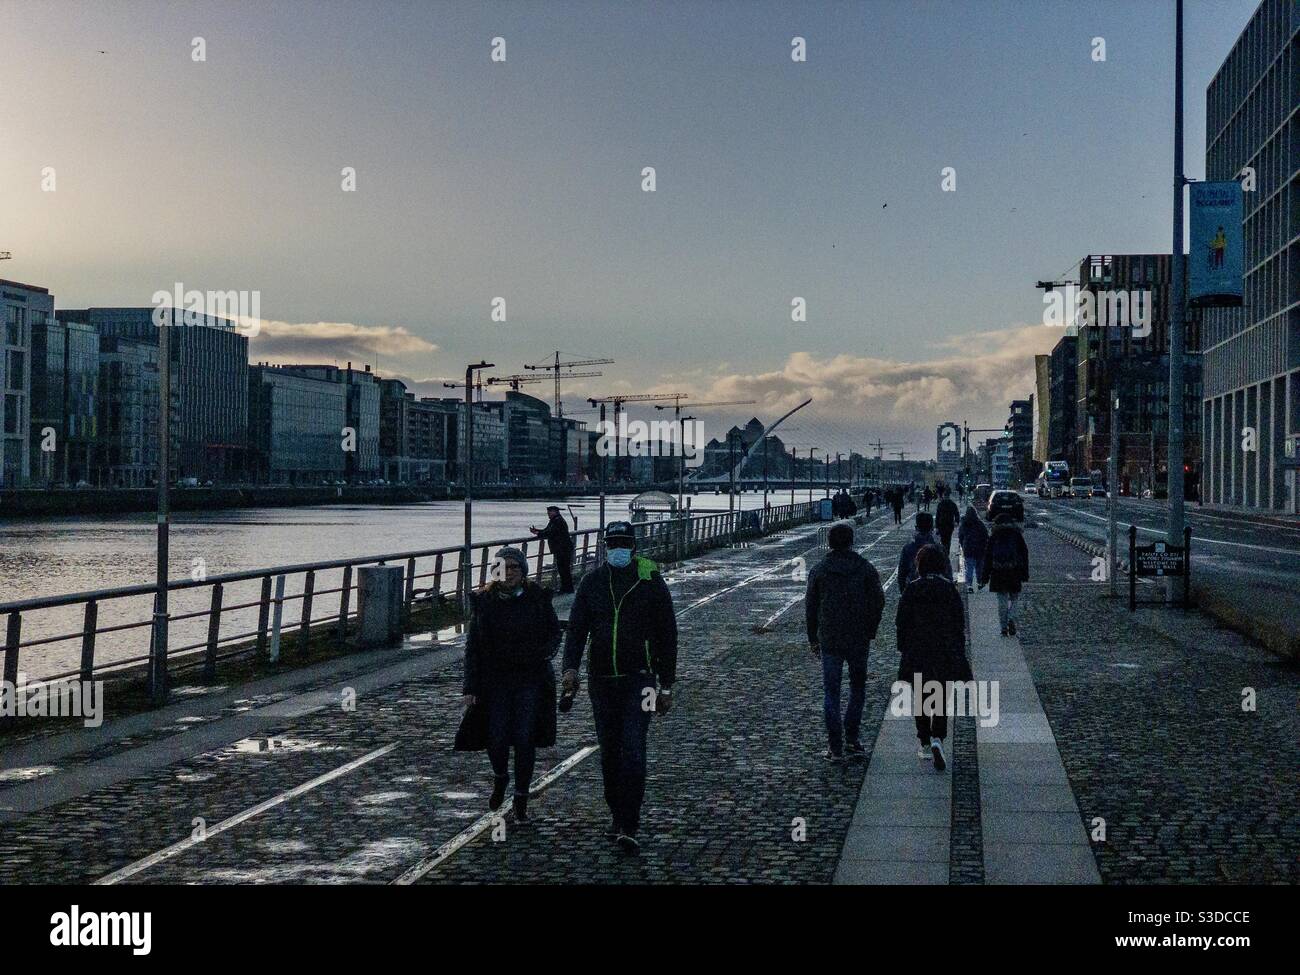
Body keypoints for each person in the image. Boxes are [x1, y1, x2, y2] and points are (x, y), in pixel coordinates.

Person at [562, 521, 677, 855]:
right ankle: (616, 812)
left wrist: (666, 684)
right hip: (601, 682)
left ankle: (630, 822)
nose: (618, 548)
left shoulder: (651, 582)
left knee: (634, 748)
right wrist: (570, 668)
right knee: (610, 752)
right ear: (604, 546)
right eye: (613, 543)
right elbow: (577, 630)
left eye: (624, 542)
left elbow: (667, 634)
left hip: (641, 680)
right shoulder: (592, 582)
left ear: (634, 547)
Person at [458, 546, 560, 823]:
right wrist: (470, 687)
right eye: (505, 567)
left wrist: (542, 653)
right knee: (497, 737)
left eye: (515, 567)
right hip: (495, 681)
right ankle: (501, 776)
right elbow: (473, 647)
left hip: (529, 679)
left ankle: (521, 798)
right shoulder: (485, 602)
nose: (510, 572)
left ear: (523, 571)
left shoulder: (537, 598)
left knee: (525, 738)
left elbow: (554, 633)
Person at [805, 522, 885, 762]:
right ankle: (852, 738)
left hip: (830, 638)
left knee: (831, 691)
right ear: (851, 542)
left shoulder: (819, 570)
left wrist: (813, 638)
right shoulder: (865, 568)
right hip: (858, 637)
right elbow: (879, 601)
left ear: (830, 543)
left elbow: (810, 607)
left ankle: (835, 746)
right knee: (857, 689)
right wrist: (870, 628)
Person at [895, 544, 971, 771]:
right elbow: (959, 623)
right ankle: (938, 737)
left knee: (920, 696)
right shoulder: (949, 589)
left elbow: (901, 622)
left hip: (918, 650)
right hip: (944, 651)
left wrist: (903, 648)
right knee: (941, 695)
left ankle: (925, 741)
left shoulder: (912, 589)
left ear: (919, 565)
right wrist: (958, 649)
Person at [979, 513, 1029, 636]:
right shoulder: (1017, 535)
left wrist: (984, 577)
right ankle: (1012, 617)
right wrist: (1024, 573)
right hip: (1014, 571)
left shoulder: (994, 536)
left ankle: (1003, 627)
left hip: (998, 572)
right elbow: (1024, 554)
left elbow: (988, 557)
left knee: (1001, 600)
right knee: (1015, 598)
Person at [897, 511, 951, 589]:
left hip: (914, 591)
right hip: (937, 591)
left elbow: (902, 573)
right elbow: (948, 573)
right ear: (932, 528)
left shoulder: (908, 548)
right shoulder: (940, 548)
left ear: (916, 527)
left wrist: (904, 591)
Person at [530, 505, 575, 594]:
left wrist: (538, 533)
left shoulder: (557, 521)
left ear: (555, 512)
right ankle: (567, 588)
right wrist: (538, 531)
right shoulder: (555, 521)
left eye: (549, 513)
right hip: (562, 548)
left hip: (563, 549)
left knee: (564, 569)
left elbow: (550, 532)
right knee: (564, 569)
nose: (548, 515)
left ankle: (567, 588)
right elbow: (547, 530)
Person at [956, 504, 989, 593]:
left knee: (969, 567)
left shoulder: (964, 524)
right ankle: (979, 582)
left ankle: (969, 585)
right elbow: (985, 535)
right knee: (979, 567)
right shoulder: (980, 523)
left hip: (968, 548)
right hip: (980, 548)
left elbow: (960, 536)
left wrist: (962, 545)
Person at [934, 492, 959, 558]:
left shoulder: (941, 504)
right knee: (947, 540)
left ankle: (944, 552)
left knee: (943, 540)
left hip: (942, 524)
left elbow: (937, 516)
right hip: (948, 524)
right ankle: (946, 553)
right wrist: (956, 521)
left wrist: (936, 526)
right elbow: (956, 513)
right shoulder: (952, 504)